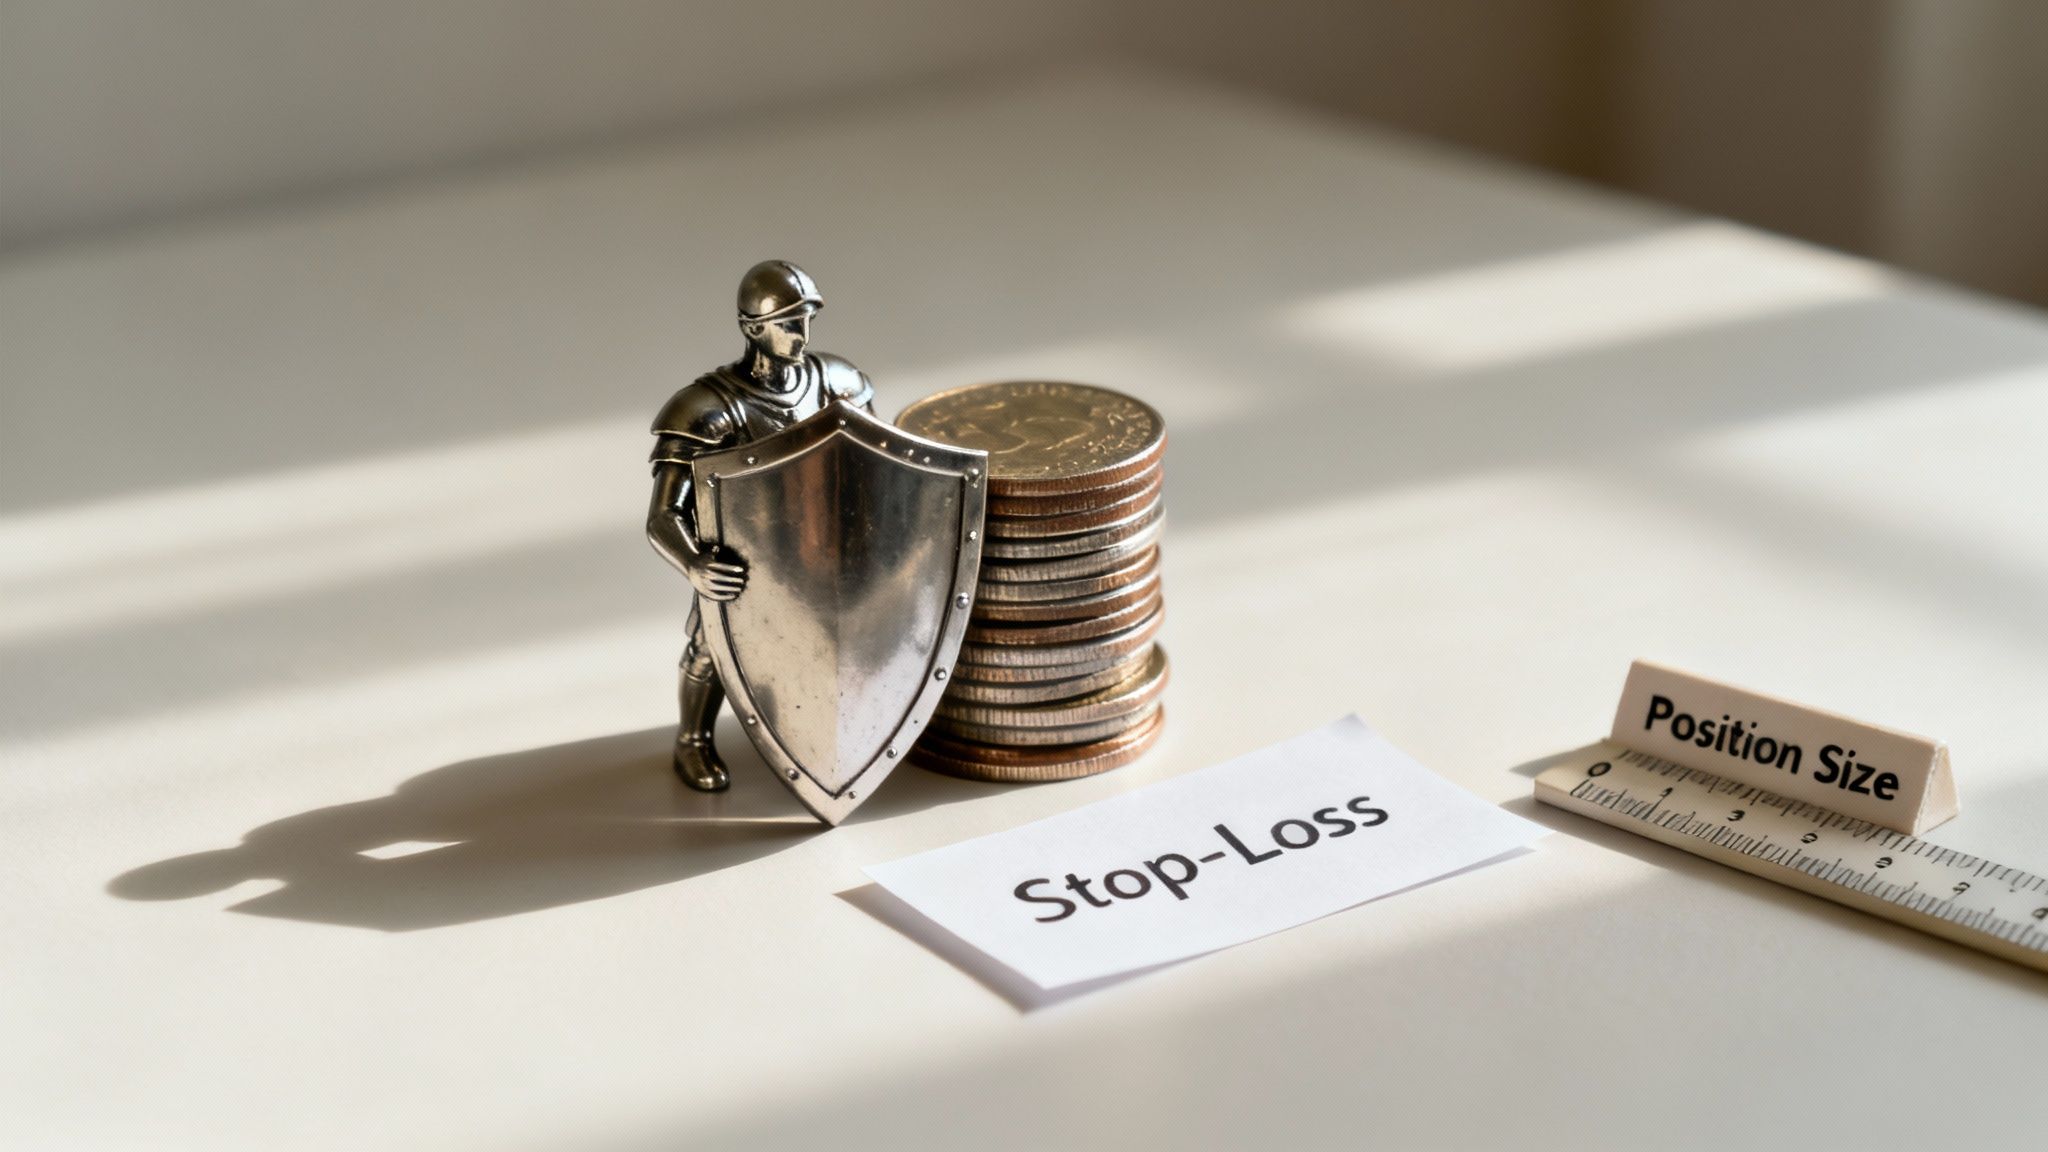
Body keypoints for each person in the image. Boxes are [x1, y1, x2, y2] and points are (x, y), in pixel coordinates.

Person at [644, 260, 875, 789]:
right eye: (789, 323)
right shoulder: (706, 410)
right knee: (710, 647)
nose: (803, 335)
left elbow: (878, 471)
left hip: (826, 555)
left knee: (840, 645)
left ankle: (828, 734)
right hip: (743, 563)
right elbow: (663, 515)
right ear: (753, 329)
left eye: (808, 320)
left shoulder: (836, 383)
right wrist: (694, 563)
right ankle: (693, 740)